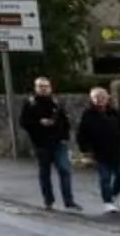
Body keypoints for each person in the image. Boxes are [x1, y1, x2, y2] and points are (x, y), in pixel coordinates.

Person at [74, 85, 120, 214]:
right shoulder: (88, 115)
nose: (100, 100)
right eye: (96, 98)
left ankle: (114, 196)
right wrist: (85, 149)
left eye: (103, 97)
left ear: (108, 98)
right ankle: (107, 202)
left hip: (117, 150)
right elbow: (82, 134)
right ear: (92, 99)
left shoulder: (114, 112)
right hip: (100, 152)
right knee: (105, 178)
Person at [20, 76, 78, 210]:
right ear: (36, 88)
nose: (43, 89)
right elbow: (24, 122)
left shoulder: (56, 103)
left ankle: (69, 201)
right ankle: (48, 200)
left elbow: (65, 121)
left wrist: (64, 136)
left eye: (46, 86)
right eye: (40, 86)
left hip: (58, 142)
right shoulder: (30, 103)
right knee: (45, 172)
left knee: (64, 169)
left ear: (50, 87)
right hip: (41, 143)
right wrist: (39, 123)